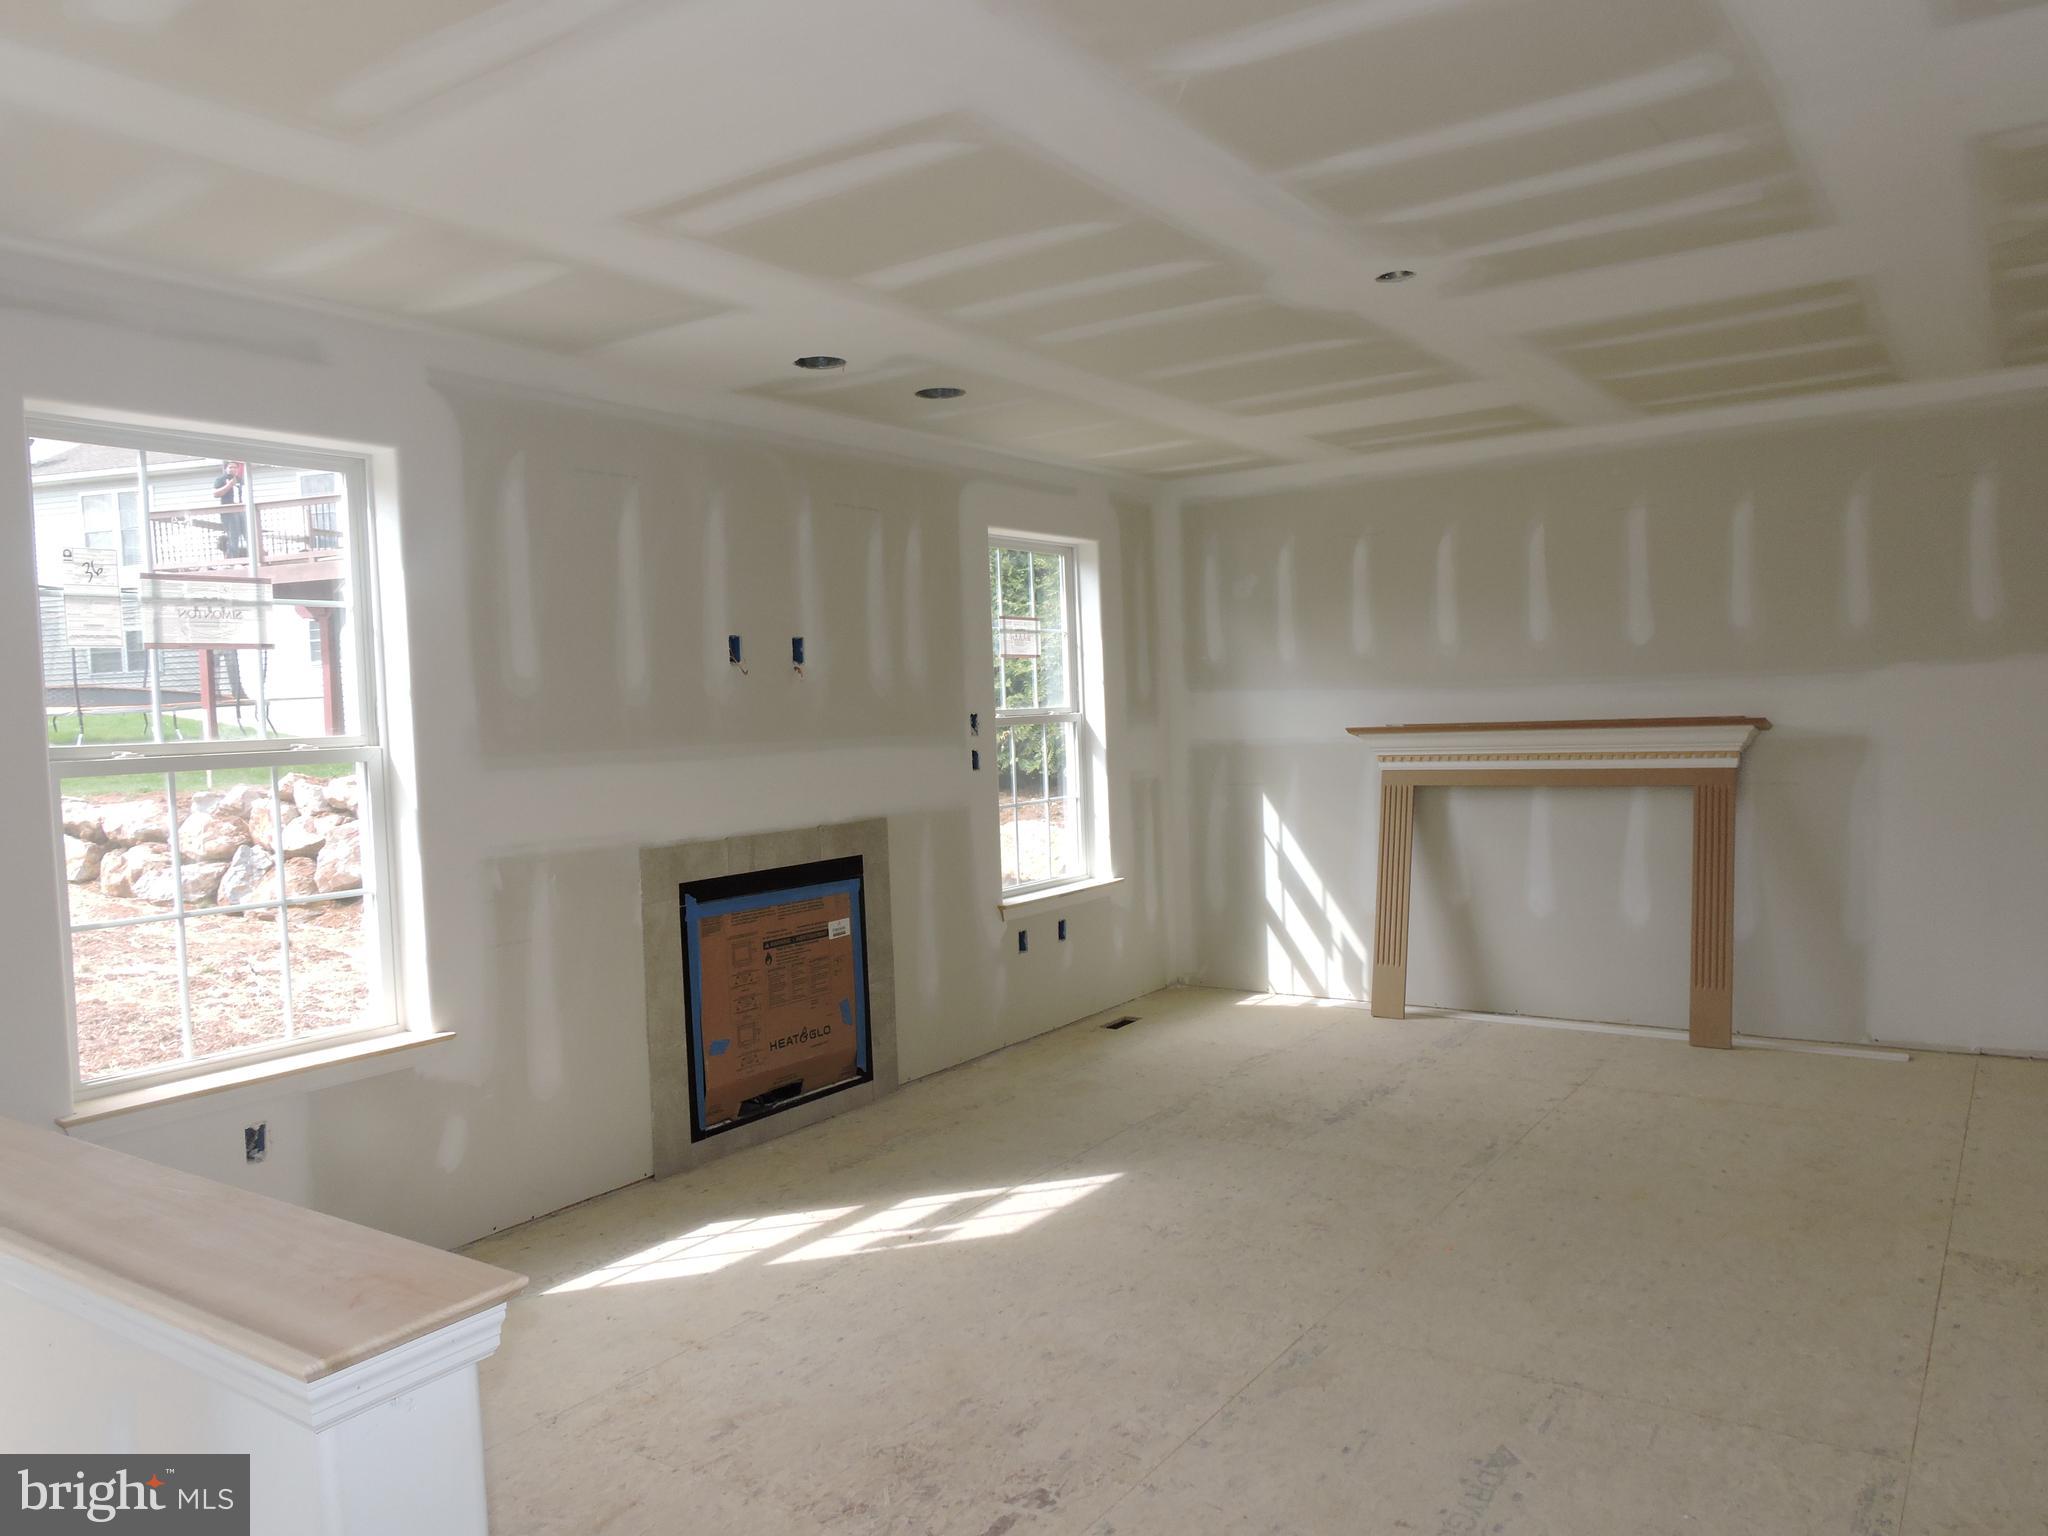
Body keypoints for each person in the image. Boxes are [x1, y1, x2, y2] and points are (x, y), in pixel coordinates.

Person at [213, 460, 248, 559]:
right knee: (233, 536)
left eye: (235, 467)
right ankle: (233, 560)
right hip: (229, 511)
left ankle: (253, 557)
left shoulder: (239, 479)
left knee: (247, 533)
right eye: (230, 467)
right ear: (226, 469)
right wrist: (229, 485)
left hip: (241, 509)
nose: (233, 469)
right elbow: (215, 494)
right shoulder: (221, 479)